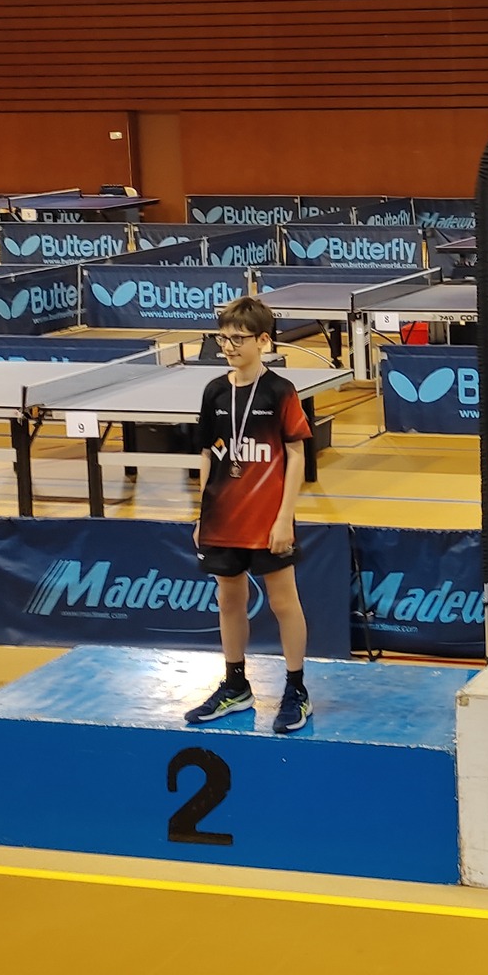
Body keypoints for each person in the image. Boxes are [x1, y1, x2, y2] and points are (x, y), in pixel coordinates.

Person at [184, 294, 314, 734]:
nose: (228, 346)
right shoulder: (214, 391)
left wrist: (284, 518)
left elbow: (296, 456)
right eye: (223, 338)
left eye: (238, 339)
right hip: (223, 518)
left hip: (268, 520)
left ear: (263, 340)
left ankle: (296, 688)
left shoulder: (280, 392)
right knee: (229, 600)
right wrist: (204, 513)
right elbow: (208, 454)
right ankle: (236, 685)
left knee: (283, 602)